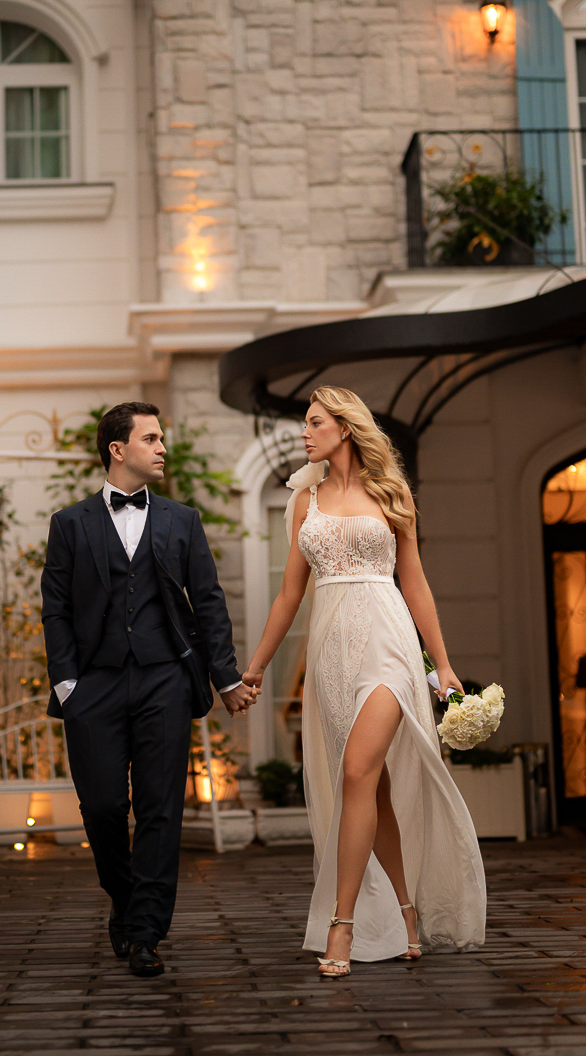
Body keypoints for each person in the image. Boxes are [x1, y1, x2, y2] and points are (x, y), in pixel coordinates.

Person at [242, 386, 486, 977]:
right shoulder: (305, 501)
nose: (304, 433)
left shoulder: (391, 491)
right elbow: (289, 595)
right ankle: (406, 913)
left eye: (314, 422)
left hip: (388, 641)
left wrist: (443, 664)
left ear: (344, 428)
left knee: (357, 772)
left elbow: (415, 582)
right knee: (369, 790)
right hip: (330, 650)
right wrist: (254, 670)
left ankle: (341, 925)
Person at [41, 402, 256, 977]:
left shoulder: (181, 521)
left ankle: (145, 934)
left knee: (161, 810)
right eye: (152, 438)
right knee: (104, 805)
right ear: (118, 448)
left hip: (164, 678)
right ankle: (125, 894)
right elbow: (56, 611)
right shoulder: (69, 524)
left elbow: (208, 603)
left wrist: (226, 676)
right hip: (93, 687)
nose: (163, 448)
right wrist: (67, 683)